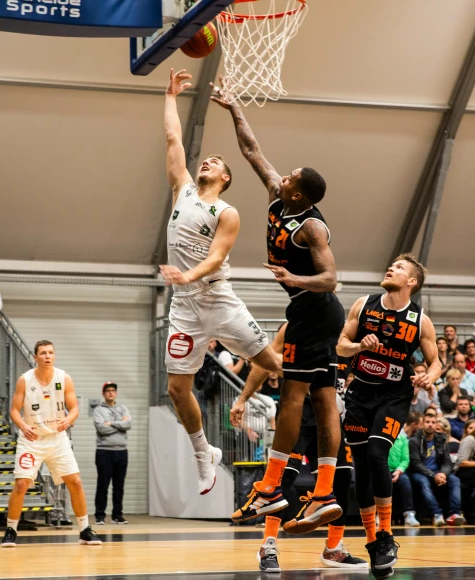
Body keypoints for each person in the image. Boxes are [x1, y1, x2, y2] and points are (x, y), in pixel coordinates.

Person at [215, 76, 346, 531]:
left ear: (298, 194)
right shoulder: (278, 197)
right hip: (315, 314)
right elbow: (252, 151)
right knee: (325, 399)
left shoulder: (312, 228)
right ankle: (323, 492)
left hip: (314, 310)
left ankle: (270, 489)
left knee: (292, 396)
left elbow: (332, 278)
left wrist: (294, 277)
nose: (281, 175)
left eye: (289, 177)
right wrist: (233, 107)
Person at [161, 69, 281, 497]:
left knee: (275, 365)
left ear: (226, 177)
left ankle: (317, 410)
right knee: (177, 389)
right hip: (184, 305)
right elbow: (174, 140)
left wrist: (186, 274)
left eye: (215, 161)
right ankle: (202, 453)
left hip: (218, 299)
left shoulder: (226, 212)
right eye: (205, 159)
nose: (206, 160)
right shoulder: (184, 189)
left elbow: (215, 260)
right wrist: (170, 94)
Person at [230, 324, 366, 572]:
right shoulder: (294, 326)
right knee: (283, 479)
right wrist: (243, 399)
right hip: (298, 414)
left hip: (330, 416)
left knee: (343, 476)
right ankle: (267, 546)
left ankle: (334, 548)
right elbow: (264, 361)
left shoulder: (345, 330)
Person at [337, 254, 441, 576]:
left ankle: (387, 535)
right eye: (391, 265)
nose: (391, 268)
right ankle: (373, 542)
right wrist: (358, 348)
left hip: (394, 395)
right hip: (360, 393)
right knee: (363, 468)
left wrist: (430, 378)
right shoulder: (363, 305)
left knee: (378, 453)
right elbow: (340, 346)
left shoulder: (420, 319)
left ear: (411, 282)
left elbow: (436, 361)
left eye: (399, 267)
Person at [1, 340, 101, 547]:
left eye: (51, 352)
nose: (47, 356)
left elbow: (74, 408)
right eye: (43, 353)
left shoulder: (64, 378)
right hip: (32, 440)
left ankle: (84, 530)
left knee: (75, 482)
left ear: (54, 356)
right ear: (35, 357)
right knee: (21, 484)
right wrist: (23, 426)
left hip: (57, 439)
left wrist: (69, 419)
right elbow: (13, 410)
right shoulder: (24, 380)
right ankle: (10, 530)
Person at [409, 414, 466, 526]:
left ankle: (454, 514)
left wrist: (443, 474)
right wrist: (433, 475)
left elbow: (447, 462)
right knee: (424, 483)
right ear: (422, 424)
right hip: (420, 472)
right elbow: (416, 464)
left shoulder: (441, 439)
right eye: (427, 422)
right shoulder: (414, 441)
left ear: (436, 424)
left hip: (438, 472)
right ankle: (437, 513)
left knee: (455, 480)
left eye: (433, 422)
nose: (430, 425)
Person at [93, 382, 131, 525]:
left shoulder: (123, 408)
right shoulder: (98, 410)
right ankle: (100, 516)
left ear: (116, 393)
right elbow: (102, 429)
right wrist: (120, 424)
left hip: (121, 452)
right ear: (103, 394)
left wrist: (111, 423)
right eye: (108, 391)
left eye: (113, 390)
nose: (110, 393)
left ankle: (117, 515)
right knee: (103, 484)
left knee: (119, 486)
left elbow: (129, 424)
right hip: (104, 452)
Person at [391, 414, 420, 527]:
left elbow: (405, 459)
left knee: (405, 482)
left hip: (397, 471)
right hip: (382, 470)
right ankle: (377, 515)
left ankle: (409, 514)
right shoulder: (381, 438)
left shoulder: (403, 438)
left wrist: (398, 471)